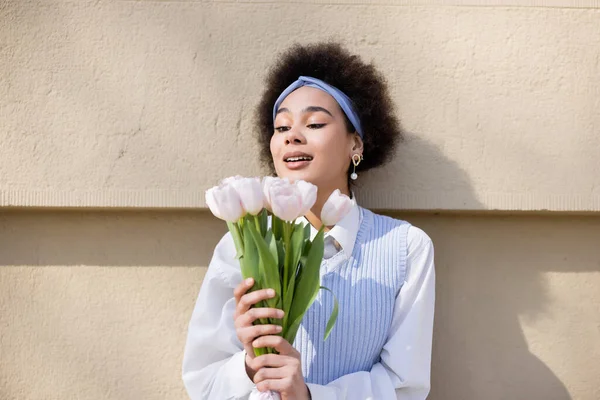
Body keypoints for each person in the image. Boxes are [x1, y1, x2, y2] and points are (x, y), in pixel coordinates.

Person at [182, 42, 436, 400]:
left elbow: (404, 385)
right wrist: (249, 365)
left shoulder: (405, 247)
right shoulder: (242, 243)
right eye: (281, 126)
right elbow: (203, 381)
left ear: (356, 146)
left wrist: (308, 395)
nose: (292, 136)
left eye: (315, 122)